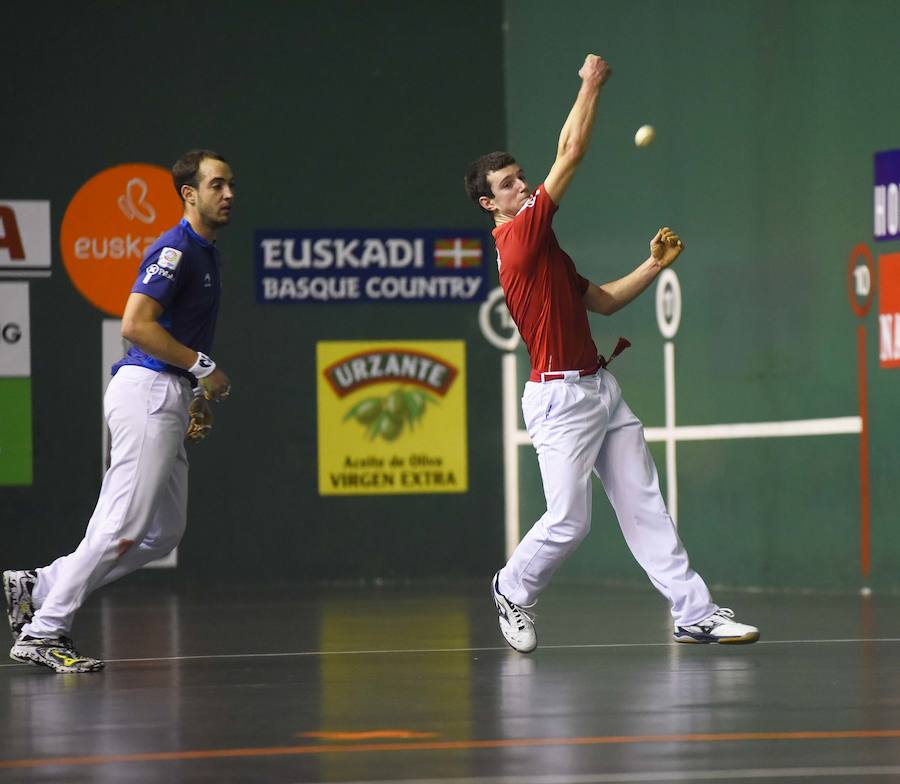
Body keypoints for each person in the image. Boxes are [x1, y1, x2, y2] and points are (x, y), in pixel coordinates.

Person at [464, 54, 759, 653]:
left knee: (645, 505)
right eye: (507, 184)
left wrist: (654, 264)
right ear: (489, 206)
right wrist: (590, 85)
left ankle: (693, 612)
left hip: (600, 390)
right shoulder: (518, 240)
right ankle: (512, 586)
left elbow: (602, 302)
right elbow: (570, 152)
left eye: (521, 177)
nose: (521, 186)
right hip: (559, 400)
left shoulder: (546, 250)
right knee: (570, 520)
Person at [3, 149, 235, 673]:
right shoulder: (175, 249)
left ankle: (37, 585)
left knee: (163, 532)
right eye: (217, 185)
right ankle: (43, 630)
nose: (228, 195)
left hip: (168, 393)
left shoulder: (207, 252)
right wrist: (203, 368)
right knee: (122, 523)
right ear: (189, 194)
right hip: (148, 392)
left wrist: (193, 392)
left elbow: (175, 333)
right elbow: (135, 324)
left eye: (230, 185)